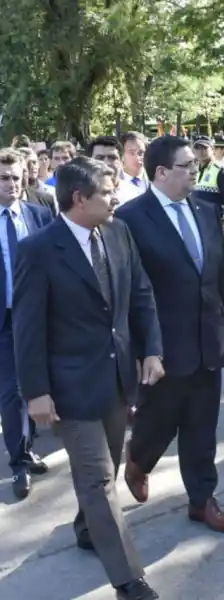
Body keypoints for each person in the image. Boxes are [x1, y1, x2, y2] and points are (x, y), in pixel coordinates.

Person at [13, 156, 164, 600]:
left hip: (117, 379)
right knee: (98, 479)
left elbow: (141, 294)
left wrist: (152, 349)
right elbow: (28, 328)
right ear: (79, 199)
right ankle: (129, 580)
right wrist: (36, 392)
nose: (115, 197)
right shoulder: (39, 250)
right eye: (106, 191)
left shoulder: (118, 233)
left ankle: (87, 526)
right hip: (70, 388)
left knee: (105, 471)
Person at [115, 135, 224, 532]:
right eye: (187, 166)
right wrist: (140, 349)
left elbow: (219, 277)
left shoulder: (206, 210)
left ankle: (202, 499)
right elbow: (128, 291)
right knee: (159, 421)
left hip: (208, 337)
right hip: (161, 346)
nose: (195, 171)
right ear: (161, 172)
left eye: (195, 165)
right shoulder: (130, 219)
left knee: (202, 424)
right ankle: (139, 460)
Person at [0, 148, 53, 501]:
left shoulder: (40, 215)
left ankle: (28, 445)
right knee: (10, 392)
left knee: (35, 383)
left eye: (16, 178)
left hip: (38, 316)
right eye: (4, 178)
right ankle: (18, 461)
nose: (12, 184)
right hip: (3, 320)